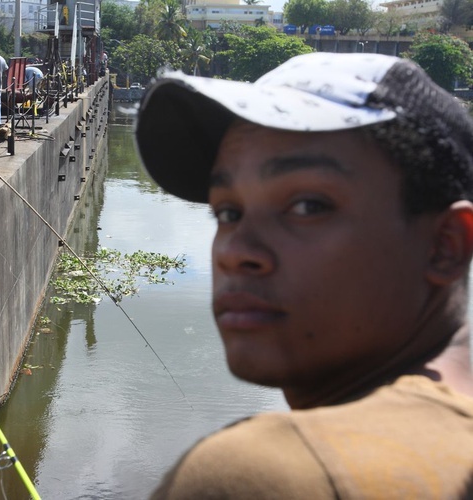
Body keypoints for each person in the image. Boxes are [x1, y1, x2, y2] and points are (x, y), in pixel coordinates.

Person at [135, 52, 473, 498]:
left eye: (308, 206)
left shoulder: (262, 476)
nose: (236, 252)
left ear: (445, 245)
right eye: (228, 211)